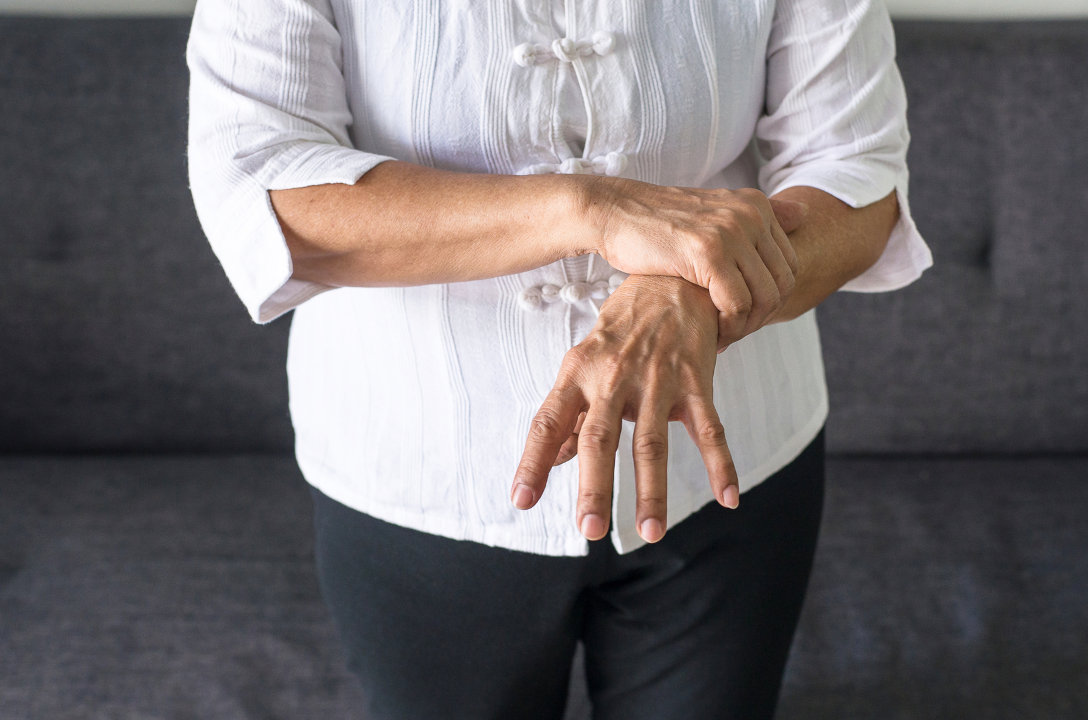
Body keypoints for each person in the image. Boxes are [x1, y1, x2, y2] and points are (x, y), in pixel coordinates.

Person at [187, 0, 931, 717]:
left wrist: (692, 293)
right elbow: (263, 188)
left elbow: (857, 171)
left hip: (732, 456)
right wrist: (589, 209)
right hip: (424, 471)